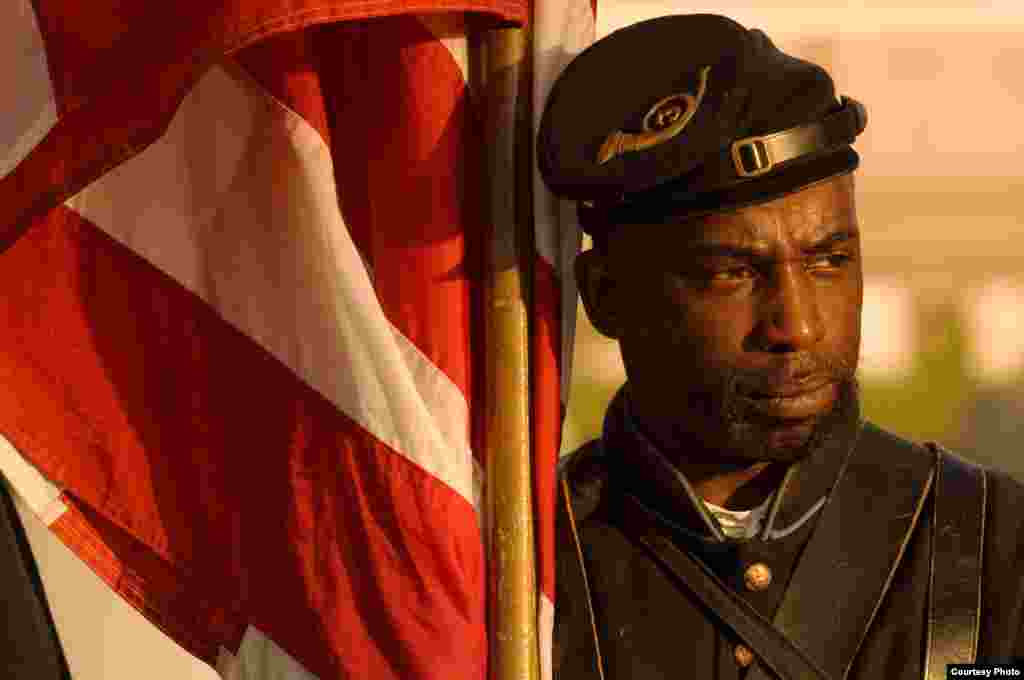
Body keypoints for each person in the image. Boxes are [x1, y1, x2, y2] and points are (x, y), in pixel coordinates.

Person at [536, 13, 1024, 680]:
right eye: (732, 272)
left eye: (828, 261)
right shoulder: (521, 574)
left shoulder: (999, 547)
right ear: (606, 297)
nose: (795, 324)